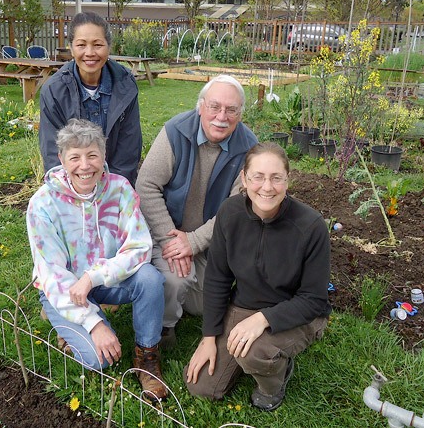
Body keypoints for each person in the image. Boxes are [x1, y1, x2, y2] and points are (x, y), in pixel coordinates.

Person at [184, 142, 331, 411]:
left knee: (254, 354)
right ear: (244, 179)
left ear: (288, 179)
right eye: (258, 177)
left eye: (276, 178)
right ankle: (254, 352)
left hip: (299, 314)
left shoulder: (311, 226)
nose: (267, 187)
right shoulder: (230, 213)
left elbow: (314, 299)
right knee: (201, 387)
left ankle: (273, 382)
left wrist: (264, 320)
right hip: (245, 306)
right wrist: (209, 337)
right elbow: (217, 277)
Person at [27, 118, 166, 400]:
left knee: (151, 279)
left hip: (103, 280)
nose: (85, 165)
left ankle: (147, 355)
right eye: (75, 157)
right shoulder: (42, 203)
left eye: (92, 155)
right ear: (62, 160)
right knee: (99, 360)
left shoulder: (120, 189)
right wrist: (94, 323)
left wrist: (94, 277)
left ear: (103, 157)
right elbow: (52, 274)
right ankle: (67, 318)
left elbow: (140, 247)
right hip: (65, 289)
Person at [135, 75, 258, 348]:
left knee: (204, 304)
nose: (221, 117)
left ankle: (170, 296)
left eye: (231, 110)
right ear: (200, 106)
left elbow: (238, 208)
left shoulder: (249, 148)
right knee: (175, 280)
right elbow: (146, 186)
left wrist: (193, 242)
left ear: (240, 114)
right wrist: (172, 241)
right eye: (214, 107)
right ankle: (164, 329)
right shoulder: (175, 132)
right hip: (167, 229)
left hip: (210, 239)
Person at [39, 12, 141, 185]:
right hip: (73, 183)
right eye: (81, 45)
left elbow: (129, 149)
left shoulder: (126, 84)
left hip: (115, 184)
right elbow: (52, 152)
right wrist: (74, 192)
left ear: (109, 47)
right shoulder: (54, 91)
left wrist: (113, 192)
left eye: (98, 44)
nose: (90, 53)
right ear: (71, 48)